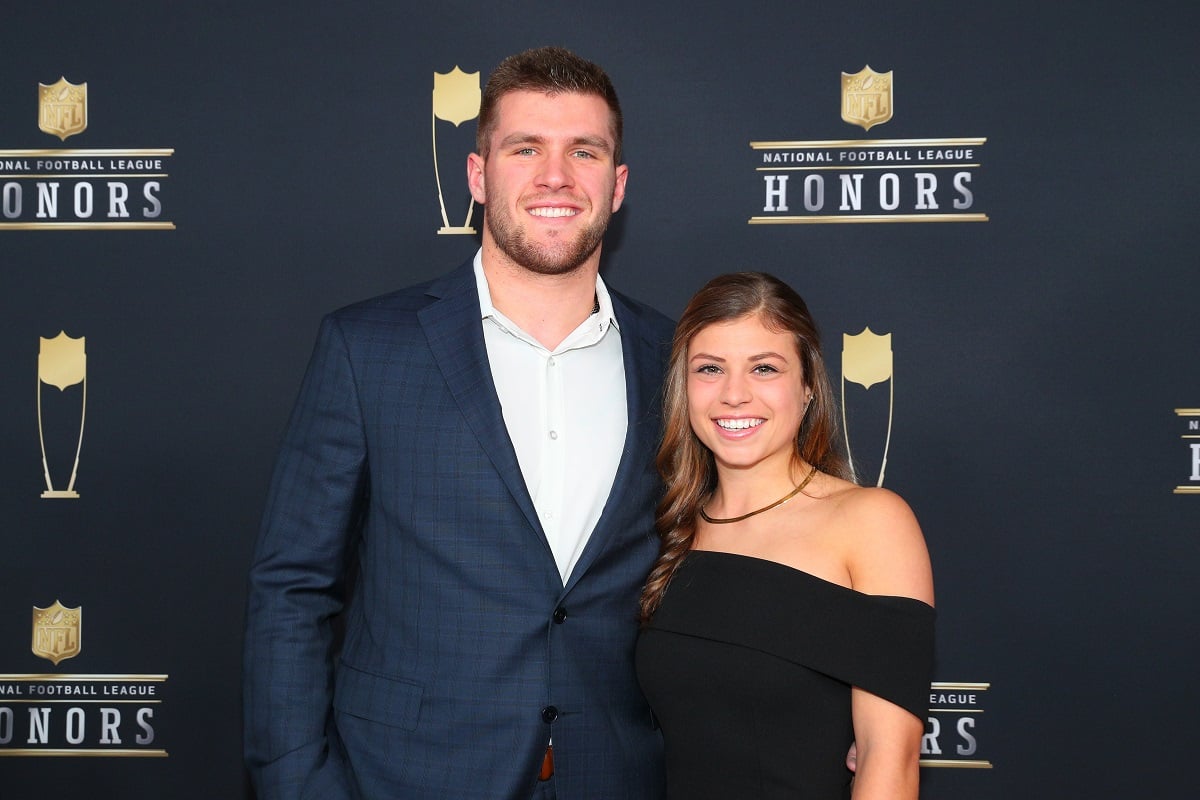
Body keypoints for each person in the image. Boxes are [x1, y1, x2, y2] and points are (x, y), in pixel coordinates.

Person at [243, 47, 672, 800]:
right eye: (525, 149)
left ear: (618, 183)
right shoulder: (367, 347)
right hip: (404, 777)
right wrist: (295, 782)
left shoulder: (673, 360)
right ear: (477, 176)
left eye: (585, 151)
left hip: (615, 776)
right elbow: (292, 587)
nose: (555, 177)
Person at [635, 272, 934, 800]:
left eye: (764, 368)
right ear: (684, 388)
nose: (734, 395)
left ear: (808, 386)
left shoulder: (870, 522)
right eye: (710, 369)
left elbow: (891, 763)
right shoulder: (667, 530)